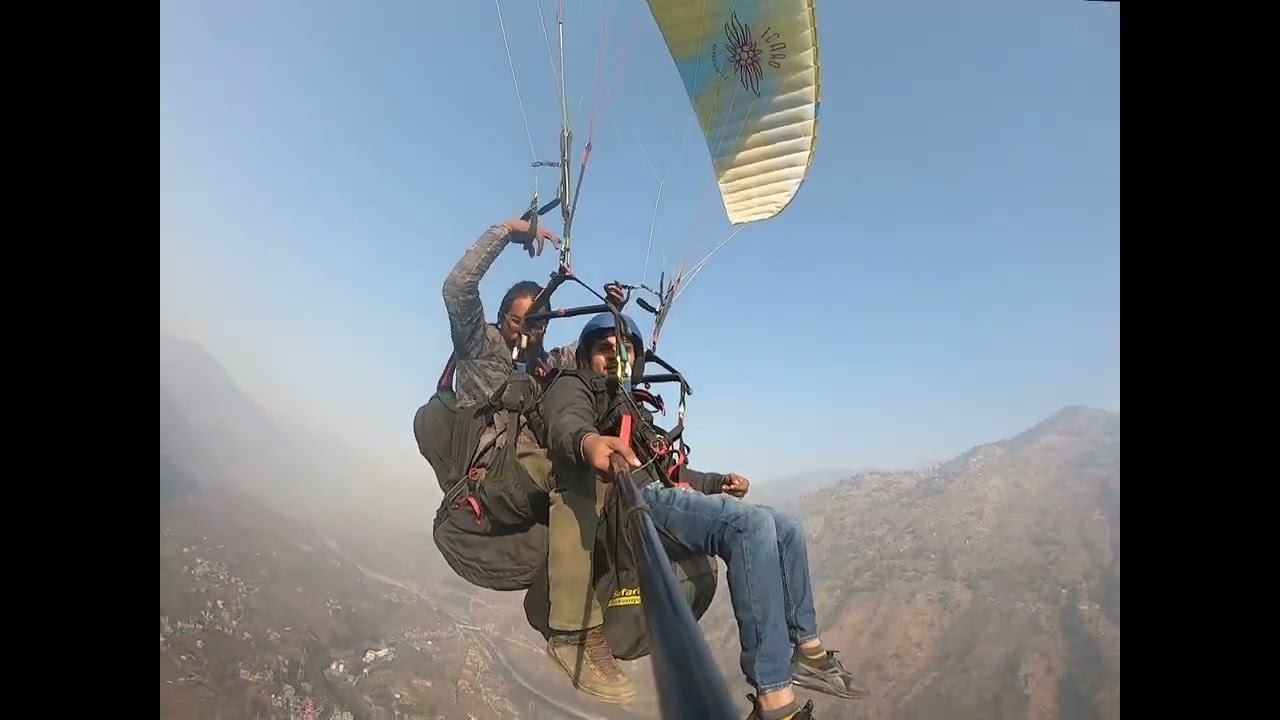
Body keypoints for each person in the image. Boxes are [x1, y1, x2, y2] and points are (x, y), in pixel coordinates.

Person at [541, 312, 869, 720]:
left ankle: (808, 649)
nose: (614, 358)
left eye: (623, 350)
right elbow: (564, 420)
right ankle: (774, 700)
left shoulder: (629, 409)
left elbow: (665, 467)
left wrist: (715, 482)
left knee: (786, 528)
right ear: (586, 357)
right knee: (751, 527)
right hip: (629, 506)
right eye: (603, 350)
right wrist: (588, 442)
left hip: (655, 492)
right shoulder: (576, 386)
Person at [441, 220, 637, 702]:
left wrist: (611, 316)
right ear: (504, 318)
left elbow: (592, 357)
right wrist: (508, 232)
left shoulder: (547, 364)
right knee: (577, 471)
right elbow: (457, 288)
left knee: (605, 472)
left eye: (540, 324)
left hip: (522, 470)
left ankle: (603, 596)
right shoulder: (481, 349)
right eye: (520, 321)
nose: (528, 331)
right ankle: (571, 635)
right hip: (487, 476)